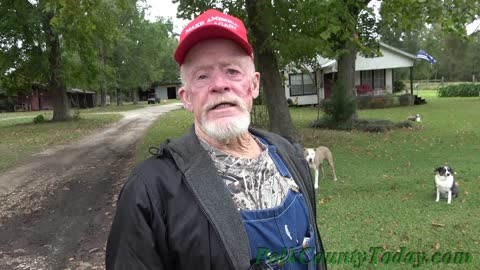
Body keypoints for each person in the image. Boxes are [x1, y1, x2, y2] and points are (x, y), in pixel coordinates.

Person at [106, 9, 327, 270]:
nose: (219, 85)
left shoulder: (289, 156)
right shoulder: (149, 191)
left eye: (232, 71)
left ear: (254, 85)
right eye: (202, 76)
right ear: (186, 97)